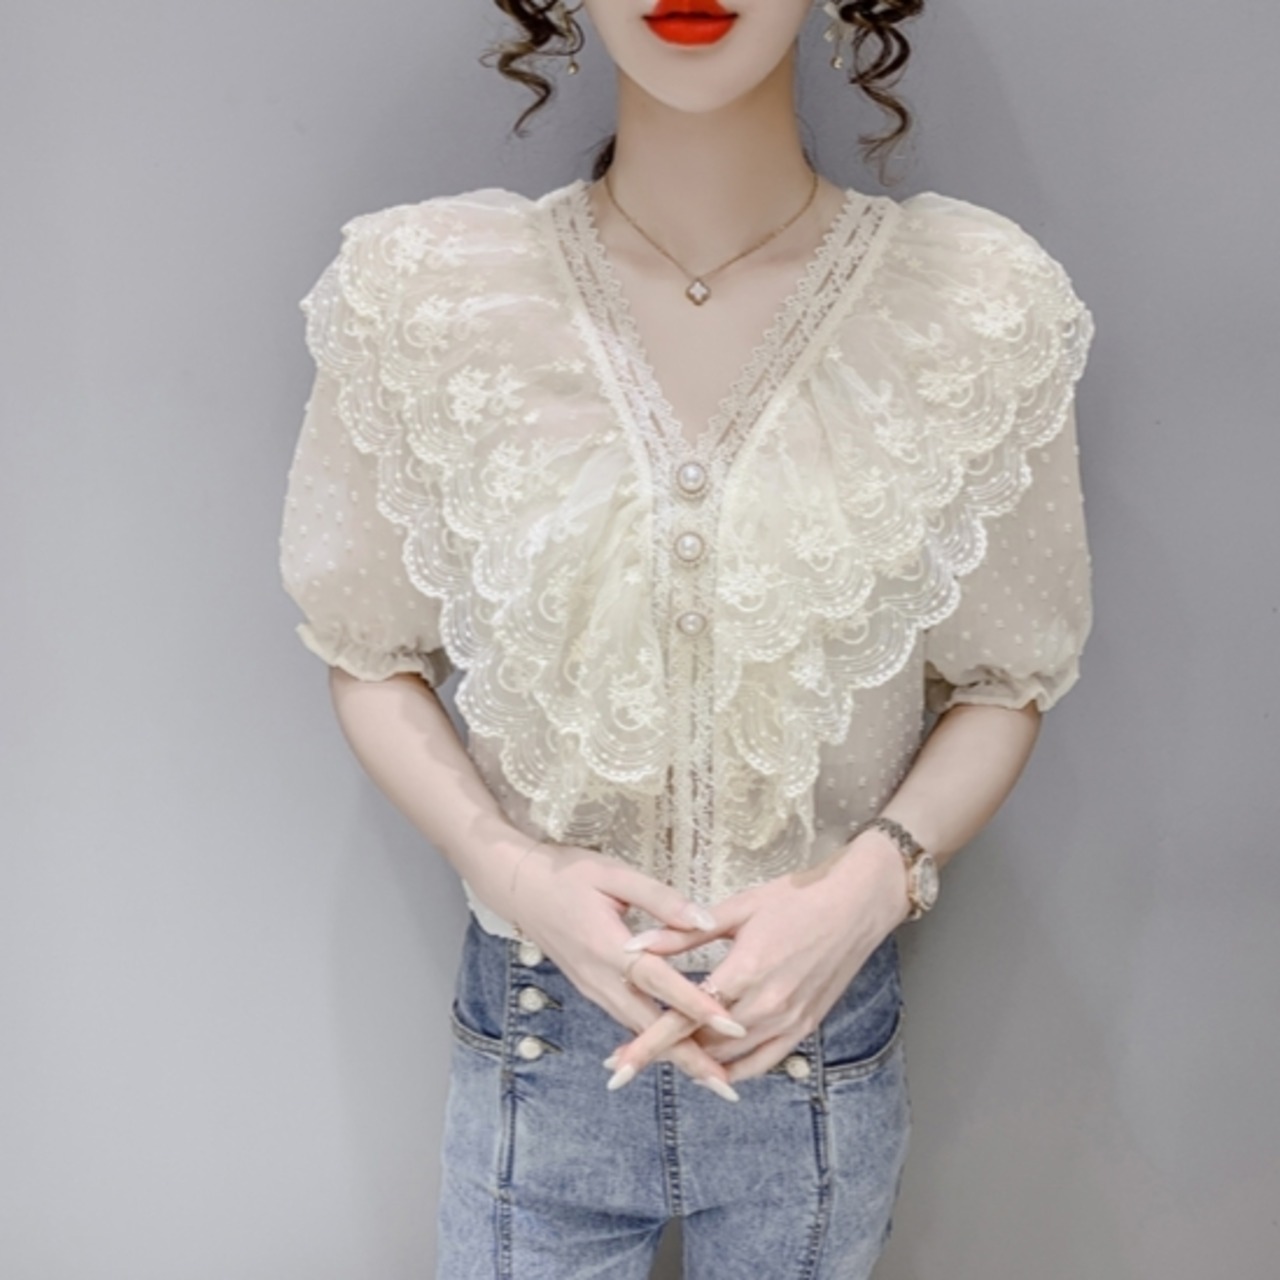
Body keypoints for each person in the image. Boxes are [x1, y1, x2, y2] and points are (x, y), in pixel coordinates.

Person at [277, 1, 1095, 1275]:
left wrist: (868, 887)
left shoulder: (968, 308)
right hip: (537, 1040)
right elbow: (367, 648)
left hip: (816, 1052)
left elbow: (1005, 676)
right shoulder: (430, 298)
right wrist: (511, 869)